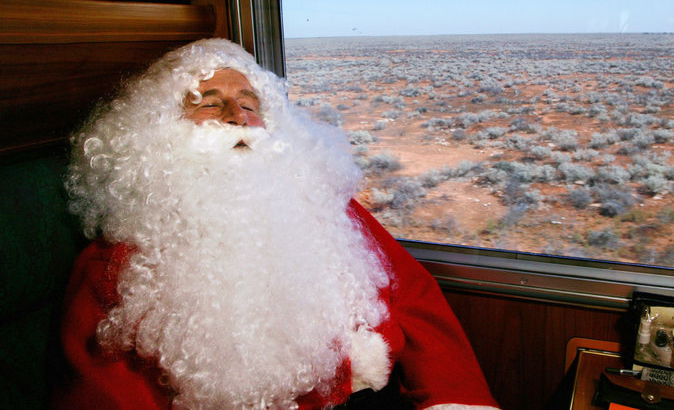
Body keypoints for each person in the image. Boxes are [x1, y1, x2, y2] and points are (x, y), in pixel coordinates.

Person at [56, 38, 499, 410]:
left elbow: (416, 297)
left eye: (249, 104)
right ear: (157, 135)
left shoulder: (326, 205)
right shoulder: (117, 269)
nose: (238, 117)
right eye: (211, 105)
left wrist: (454, 400)